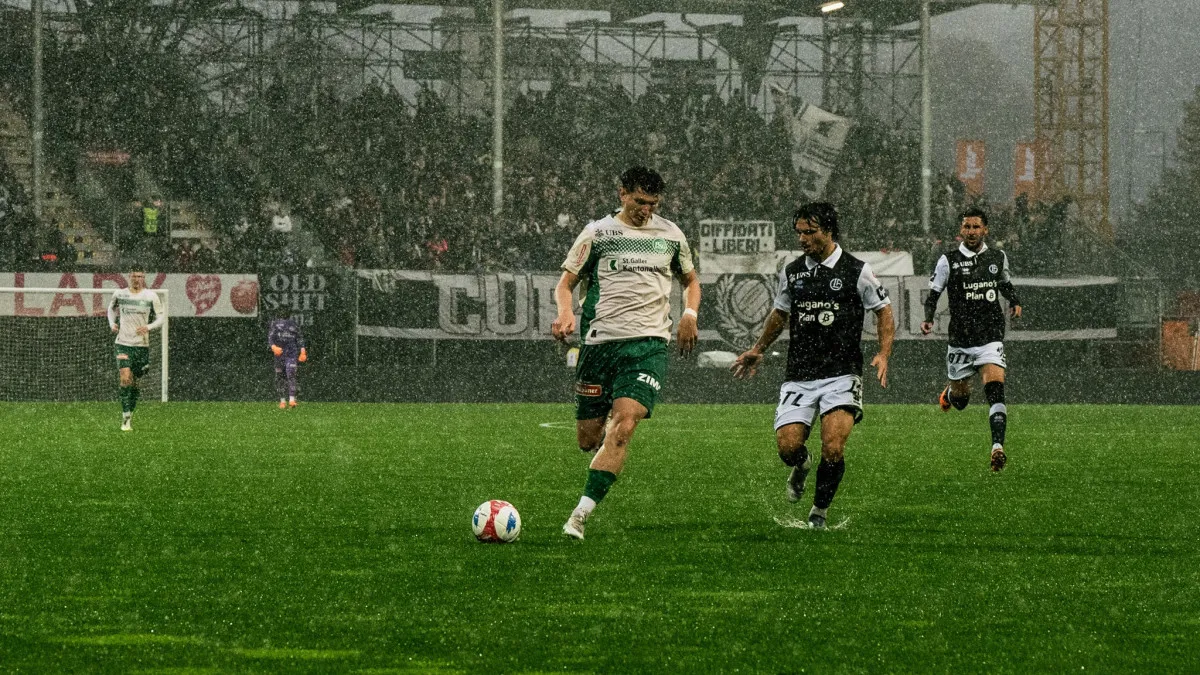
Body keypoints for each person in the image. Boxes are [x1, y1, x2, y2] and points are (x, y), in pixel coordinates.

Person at [552, 166, 701, 540]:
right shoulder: (597, 234)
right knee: (588, 439)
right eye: (639, 201)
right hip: (600, 345)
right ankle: (606, 444)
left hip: (648, 345)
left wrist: (689, 313)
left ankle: (580, 515)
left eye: (652, 203)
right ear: (622, 194)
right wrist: (566, 312)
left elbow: (691, 280)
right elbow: (566, 283)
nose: (645, 210)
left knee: (624, 427)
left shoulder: (670, 235)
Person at [732, 202, 894, 529]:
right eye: (800, 233)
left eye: (810, 232)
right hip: (801, 373)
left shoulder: (856, 270)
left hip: (842, 372)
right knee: (787, 447)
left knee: (833, 446)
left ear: (829, 230)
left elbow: (884, 311)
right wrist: (758, 348)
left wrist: (884, 352)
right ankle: (801, 465)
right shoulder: (792, 272)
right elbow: (780, 314)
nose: (803, 239)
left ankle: (819, 512)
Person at [920, 207, 1022, 472]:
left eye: (976, 227)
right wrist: (928, 317)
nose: (971, 232)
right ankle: (951, 392)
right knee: (962, 401)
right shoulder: (948, 260)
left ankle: (997, 447)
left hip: (990, 337)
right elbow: (933, 293)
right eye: (967, 227)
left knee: (995, 390)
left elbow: (1004, 283)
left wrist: (1014, 301)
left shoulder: (998, 257)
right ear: (960, 230)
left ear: (985, 230)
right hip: (961, 340)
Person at [107, 269, 166, 431]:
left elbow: (161, 317)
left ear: (144, 278)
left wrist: (148, 327)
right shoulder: (120, 294)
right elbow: (110, 309)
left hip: (141, 346)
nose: (137, 279)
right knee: (125, 378)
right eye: (134, 276)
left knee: (134, 383)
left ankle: (130, 411)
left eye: (140, 276)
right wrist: (112, 323)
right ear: (129, 277)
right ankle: (125, 418)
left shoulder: (151, 296)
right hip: (123, 343)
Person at [268, 315, 307, 408]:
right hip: (279, 355)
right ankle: (282, 401)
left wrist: (303, 352)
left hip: (291, 355)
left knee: (291, 375)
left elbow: (300, 338)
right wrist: (273, 347)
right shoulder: (275, 324)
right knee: (280, 377)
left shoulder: (293, 324)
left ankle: (292, 400)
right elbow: (270, 337)